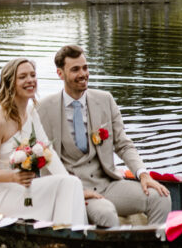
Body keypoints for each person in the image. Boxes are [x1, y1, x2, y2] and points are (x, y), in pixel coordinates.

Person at [37, 45, 172, 228]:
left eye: (85, 67)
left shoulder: (105, 100)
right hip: (76, 190)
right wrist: (67, 193)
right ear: (60, 74)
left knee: (160, 197)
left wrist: (143, 174)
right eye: (75, 69)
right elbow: (45, 160)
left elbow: (123, 144)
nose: (83, 74)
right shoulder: (45, 108)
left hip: (108, 184)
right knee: (106, 212)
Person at [0, 57, 86, 225]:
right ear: (10, 83)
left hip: (21, 188)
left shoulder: (31, 111)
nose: (30, 80)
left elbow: (48, 152)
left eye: (33, 75)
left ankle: (71, 235)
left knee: (71, 183)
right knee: (68, 186)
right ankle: (67, 236)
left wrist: (75, 189)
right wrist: (13, 177)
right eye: (22, 77)